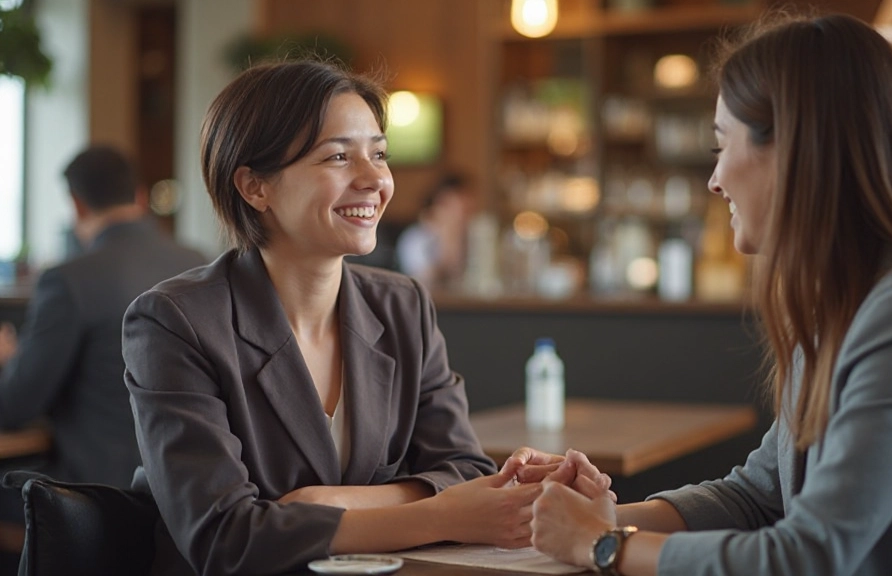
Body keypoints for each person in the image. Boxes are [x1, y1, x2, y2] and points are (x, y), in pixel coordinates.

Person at [510, 12, 892, 576]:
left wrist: (602, 546)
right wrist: (593, 522)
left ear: (796, 151)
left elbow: (809, 557)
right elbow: (757, 496)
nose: (715, 180)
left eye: (721, 145)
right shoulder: (844, 302)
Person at [121, 60, 548, 576]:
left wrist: (319, 503)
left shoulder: (402, 306)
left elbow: (464, 472)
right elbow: (225, 538)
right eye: (339, 157)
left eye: (379, 154)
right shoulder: (175, 321)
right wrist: (435, 515)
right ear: (256, 187)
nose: (374, 180)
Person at [0, 145, 206, 488]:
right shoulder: (199, 262)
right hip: (189, 488)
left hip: (99, 492)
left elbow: (15, 407)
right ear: (139, 196)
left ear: (77, 204)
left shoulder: (68, 280)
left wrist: (9, 360)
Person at [395, 172, 474, 290]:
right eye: (459, 204)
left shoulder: (474, 236)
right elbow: (424, 280)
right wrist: (448, 237)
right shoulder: (416, 237)